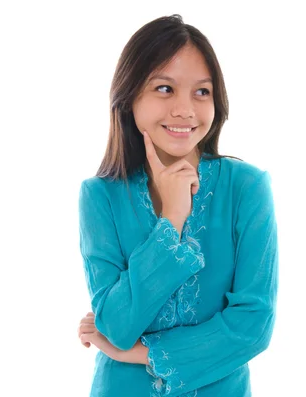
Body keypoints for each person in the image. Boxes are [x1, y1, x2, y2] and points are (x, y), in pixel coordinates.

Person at [76, 14, 279, 397]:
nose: (185, 110)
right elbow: (116, 325)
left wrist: (139, 353)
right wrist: (171, 219)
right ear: (129, 96)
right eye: (165, 88)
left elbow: (253, 326)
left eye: (202, 92)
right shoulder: (100, 195)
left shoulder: (247, 189)